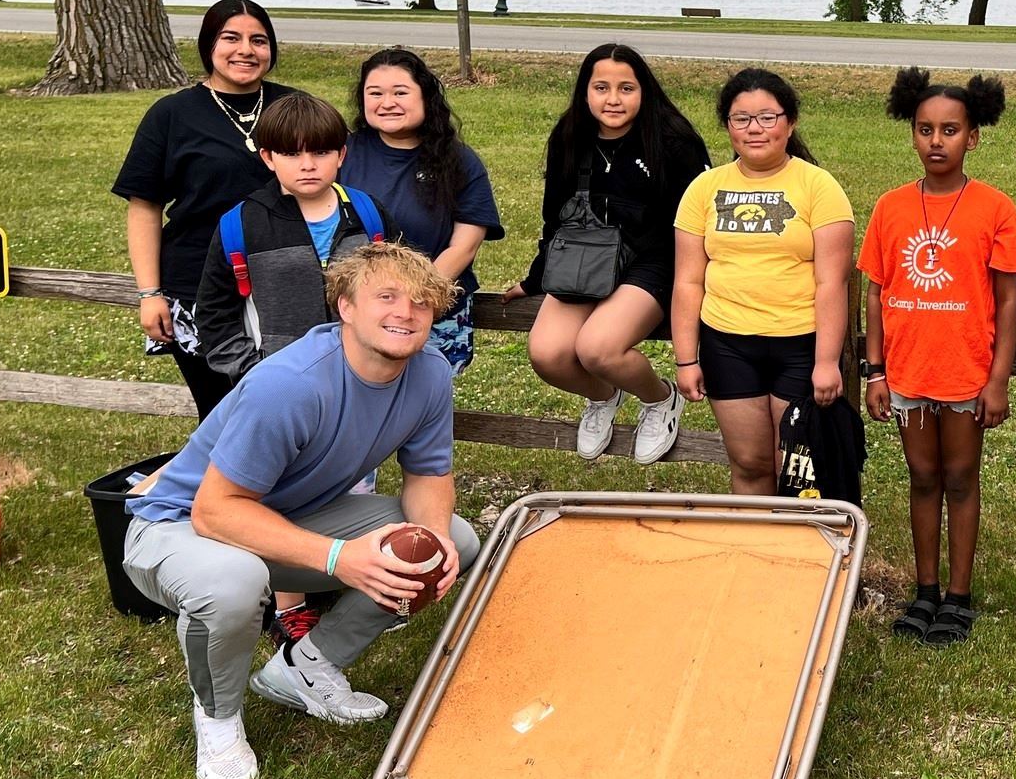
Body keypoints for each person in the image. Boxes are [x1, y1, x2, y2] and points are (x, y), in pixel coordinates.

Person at [121, 243, 483, 779]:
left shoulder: (430, 373)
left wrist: (429, 537)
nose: (404, 313)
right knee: (233, 583)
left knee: (449, 538)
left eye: (420, 303)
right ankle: (217, 718)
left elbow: (429, 475)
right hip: (177, 526)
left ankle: (305, 668)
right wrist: (342, 558)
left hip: (285, 516)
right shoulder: (291, 384)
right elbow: (214, 511)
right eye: (385, 297)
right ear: (345, 307)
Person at [860, 68, 1016, 648]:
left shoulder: (995, 208)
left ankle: (959, 594)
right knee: (922, 476)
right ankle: (924, 590)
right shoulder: (890, 207)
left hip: (964, 374)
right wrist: (875, 370)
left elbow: (1007, 301)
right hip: (906, 372)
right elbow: (876, 293)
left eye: (950, 130)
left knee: (959, 477)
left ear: (972, 137)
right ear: (911, 133)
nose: (936, 141)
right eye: (925, 129)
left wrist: (998, 378)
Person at [502, 44, 709, 467]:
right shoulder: (569, 138)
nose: (613, 99)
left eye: (625, 88)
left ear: (644, 91)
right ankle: (602, 396)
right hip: (583, 257)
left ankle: (660, 398)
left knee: (598, 348)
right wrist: (534, 279)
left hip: (653, 262)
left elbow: (696, 222)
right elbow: (552, 219)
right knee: (547, 353)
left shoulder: (673, 141)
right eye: (601, 87)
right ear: (585, 92)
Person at [671, 68, 854, 495]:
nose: (755, 129)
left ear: (789, 123)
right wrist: (685, 358)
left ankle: (799, 557)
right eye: (741, 118)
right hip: (728, 345)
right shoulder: (704, 188)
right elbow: (687, 281)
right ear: (728, 126)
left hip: (799, 345)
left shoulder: (819, 186)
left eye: (768, 117)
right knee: (750, 464)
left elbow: (832, 283)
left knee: (794, 467)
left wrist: (826, 362)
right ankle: (752, 555)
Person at [114, 0, 298, 418]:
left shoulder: (294, 108)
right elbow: (144, 206)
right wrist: (150, 294)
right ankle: (219, 485)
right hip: (196, 285)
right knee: (221, 415)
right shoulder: (172, 114)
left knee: (289, 409)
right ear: (208, 45)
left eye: (259, 40)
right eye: (230, 38)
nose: (246, 51)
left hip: (288, 284)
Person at [194, 92, 386, 385]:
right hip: (279, 384)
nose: (307, 165)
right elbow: (213, 312)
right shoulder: (241, 224)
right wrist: (252, 372)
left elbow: (403, 288)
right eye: (292, 154)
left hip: (367, 377)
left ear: (341, 155)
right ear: (268, 158)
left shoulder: (369, 213)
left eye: (321, 152)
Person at [340, 48, 503, 375]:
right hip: (355, 310)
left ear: (425, 97)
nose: (387, 102)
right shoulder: (342, 152)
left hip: (431, 308)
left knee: (421, 408)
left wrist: (411, 300)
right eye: (375, 93)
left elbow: (464, 246)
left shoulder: (460, 161)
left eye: (400, 92)